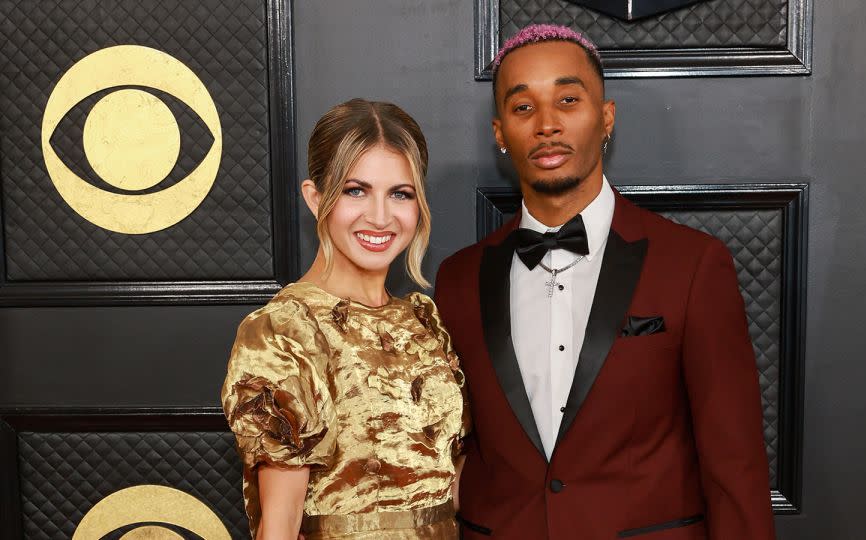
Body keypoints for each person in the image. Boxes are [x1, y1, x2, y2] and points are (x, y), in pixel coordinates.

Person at [433, 25, 776, 539]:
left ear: (606, 118)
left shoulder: (693, 265)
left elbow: (735, 467)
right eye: (523, 108)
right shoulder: (458, 279)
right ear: (500, 132)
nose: (547, 124)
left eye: (568, 100)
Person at [222, 98, 467, 539]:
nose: (380, 216)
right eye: (356, 190)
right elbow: (279, 525)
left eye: (400, 193)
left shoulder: (423, 322)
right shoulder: (286, 330)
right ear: (316, 199)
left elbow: (451, 489)